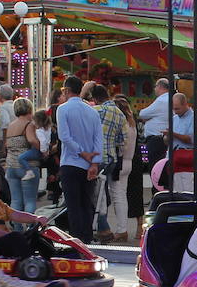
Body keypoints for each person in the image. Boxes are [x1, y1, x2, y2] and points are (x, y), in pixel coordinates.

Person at [56, 75, 104, 241]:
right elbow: (99, 139)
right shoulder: (92, 111)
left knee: (73, 206)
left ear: (67, 90)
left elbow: (65, 137)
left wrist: (81, 152)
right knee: (86, 204)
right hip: (89, 165)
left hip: (70, 162)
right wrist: (94, 163)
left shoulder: (62, 109)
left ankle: (77, 240)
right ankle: (88, 238)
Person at [92, 84, 126, 242]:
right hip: (112, 157)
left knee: (97, 196)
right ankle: (102, 227)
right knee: (103, 195)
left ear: (95, 98)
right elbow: (122, 139)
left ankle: (103, 228)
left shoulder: (97, 110)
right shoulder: (120, 113)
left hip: (98, 157)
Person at [1, 98, 43, 214]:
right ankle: (29, 228)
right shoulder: (29, 125)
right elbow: (31, 140)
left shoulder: (11, 126)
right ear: (29, 109)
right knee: (29, 201)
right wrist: (42, 147)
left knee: (15, 201)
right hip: (27, 167)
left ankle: (17, 229)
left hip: (11, 167)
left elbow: (6, 144)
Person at [109, 96, 140, 243]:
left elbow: (120, 145)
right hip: (129, 162)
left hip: (120, 163)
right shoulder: (132, 125)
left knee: (117, 196)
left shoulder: (121, 126)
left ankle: (122, 230)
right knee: (121, 195)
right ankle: (122, 228)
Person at [140, 77, 173, 174]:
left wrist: (149, 118)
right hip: (165, 137)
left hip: (156, 138)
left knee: (156, 167)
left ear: (160, 87)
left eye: (155, 87)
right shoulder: (171, 98)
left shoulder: (161, 100)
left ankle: (157, 187)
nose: (154, 89)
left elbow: (143, 114)